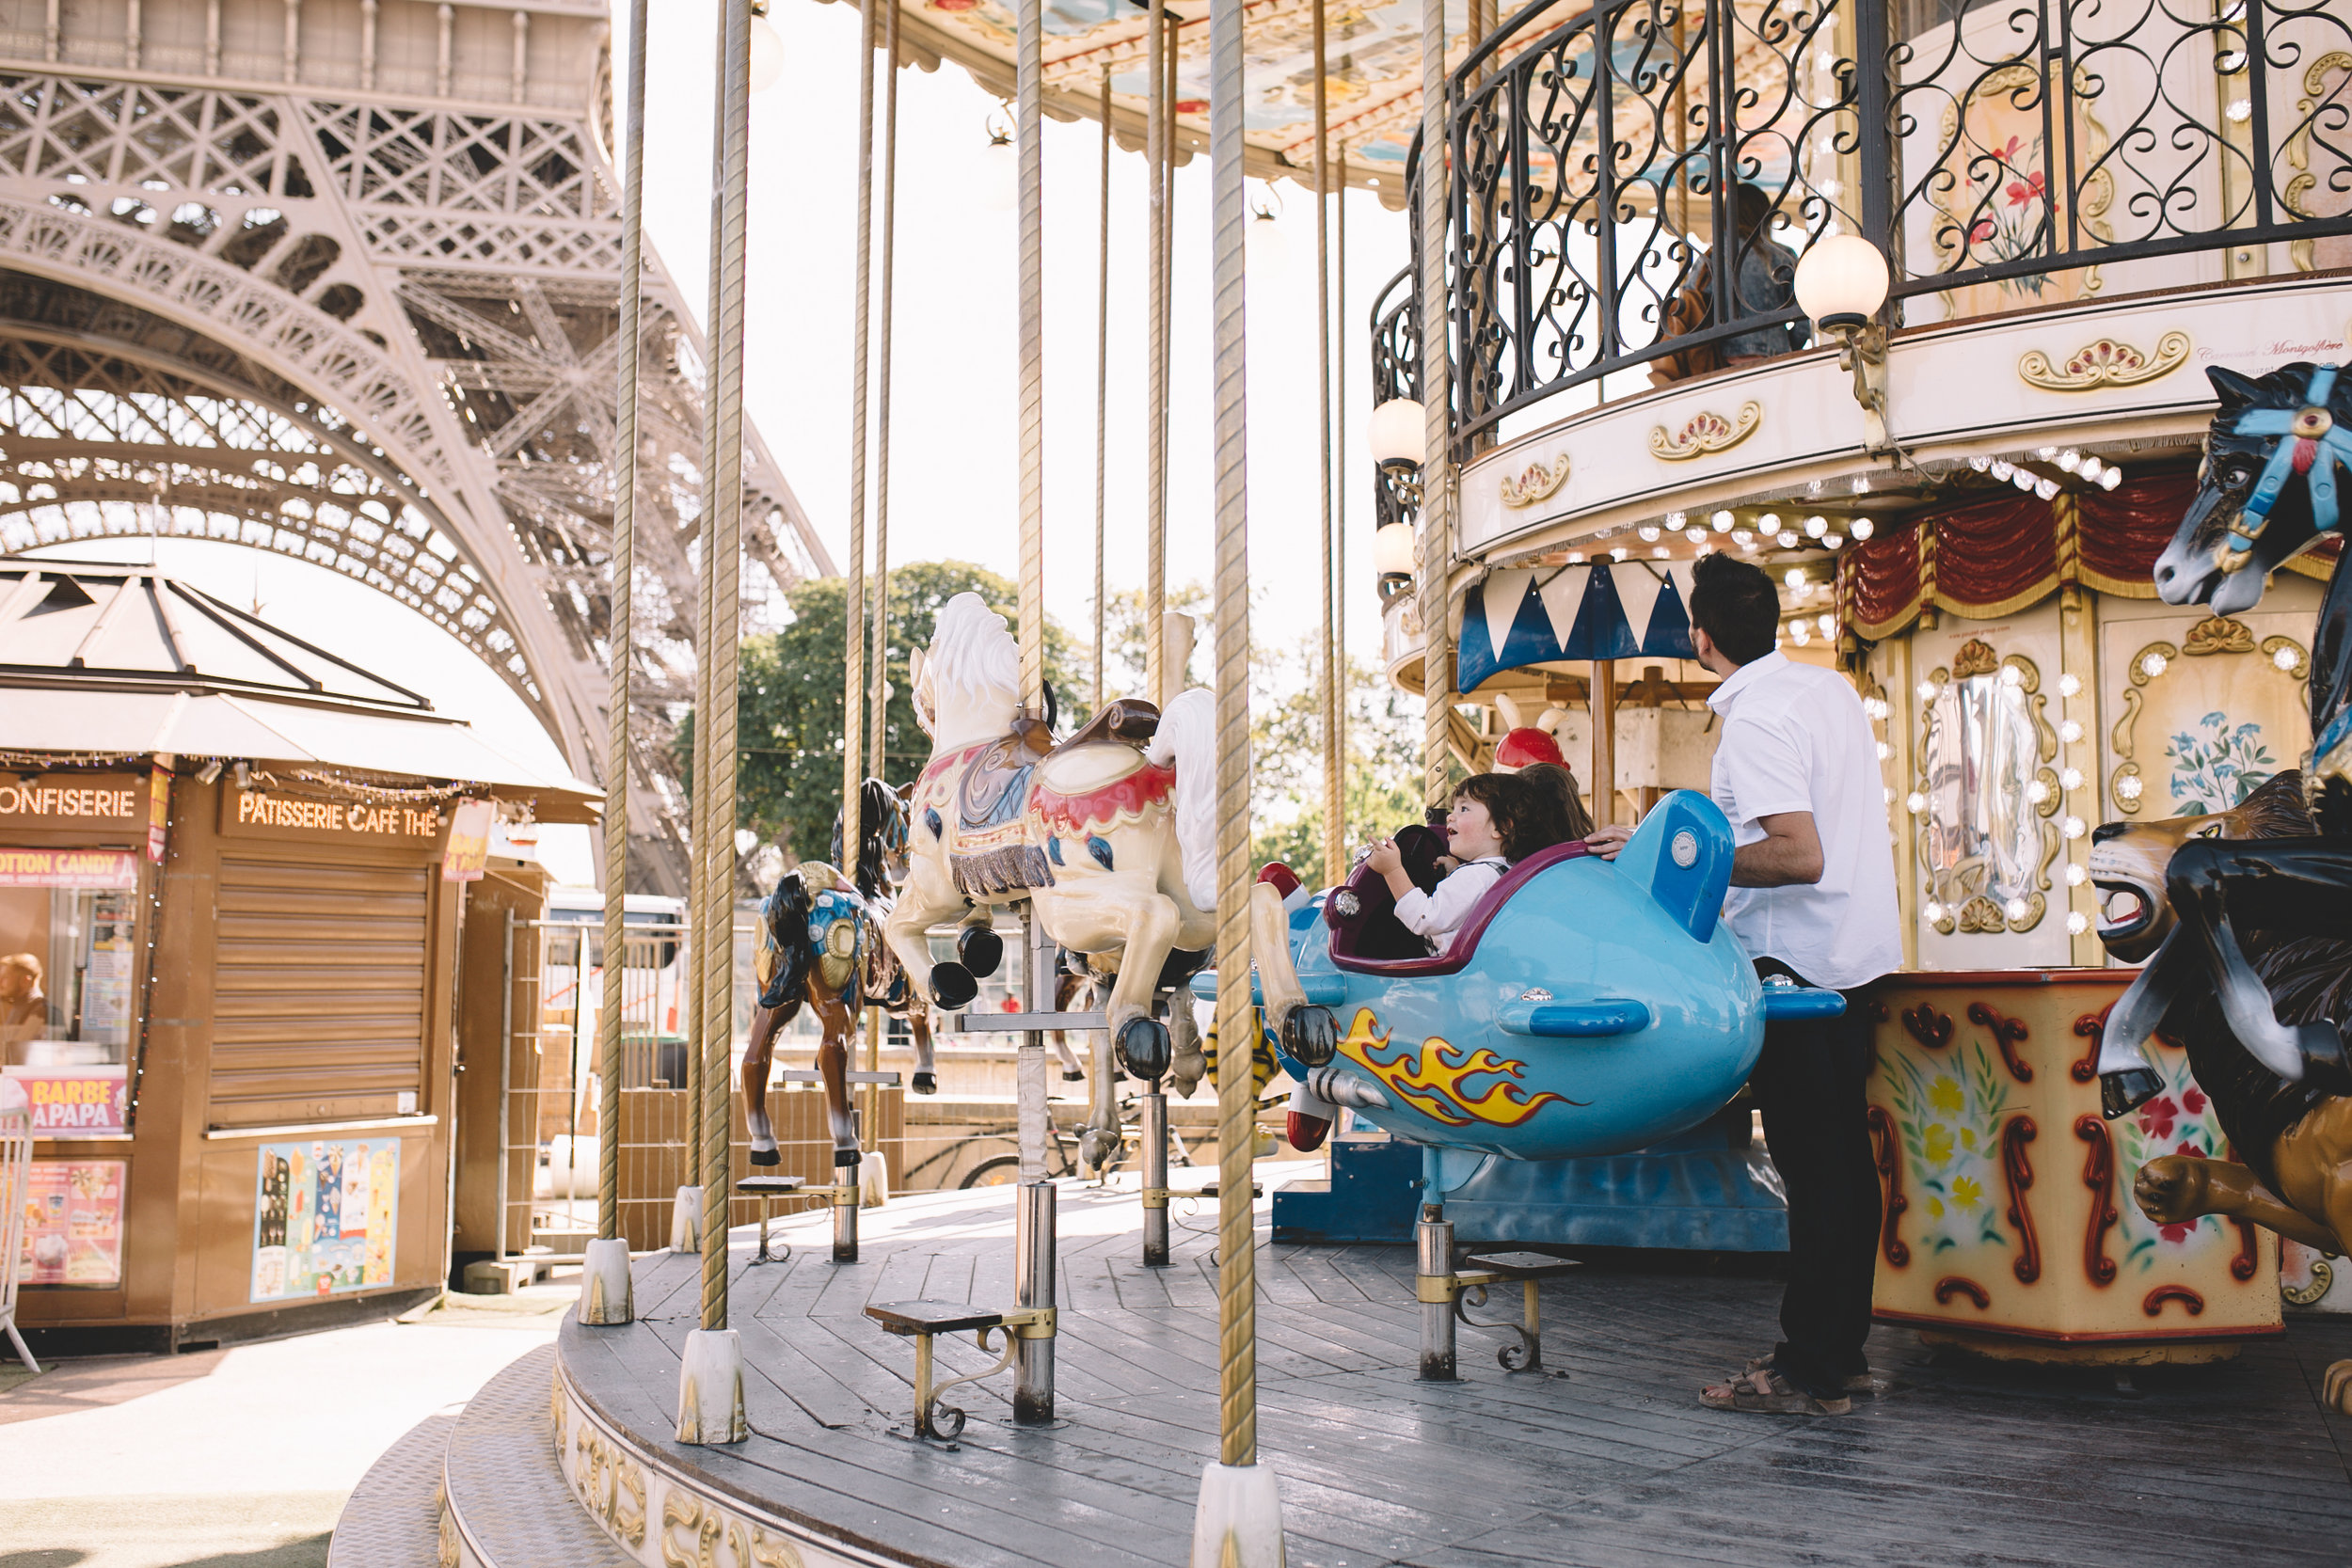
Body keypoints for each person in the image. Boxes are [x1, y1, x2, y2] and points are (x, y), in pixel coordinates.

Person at [1586, 552, 1900, 1417]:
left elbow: (1800, 853)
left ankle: (1810, 1364)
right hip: (1852, 958)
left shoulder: (1756, 718)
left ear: (1701, 636)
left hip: (1796, 968)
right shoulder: (1824, 690)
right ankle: (1839, 1351)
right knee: (1842, 1166)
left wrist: (1671, 859)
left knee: (1816, 1168)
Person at [1649, 182, 1813, 387]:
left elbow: (1691, 307)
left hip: (1726, 362)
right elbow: (1804, 319)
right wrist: (1785, 343)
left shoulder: (1710, 259)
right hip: (1776, 360)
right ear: (1764, 215)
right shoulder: (1782, 255)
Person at [1366, 773, 1545, 951]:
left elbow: (1424, 918)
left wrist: (1392, 870)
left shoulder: (1475, 876)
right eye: (1453, 809)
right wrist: (1456, 871)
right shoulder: (1508, 870)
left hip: (1444, 975)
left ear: (1501, 827)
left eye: (1464, 809)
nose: (1450, 817)